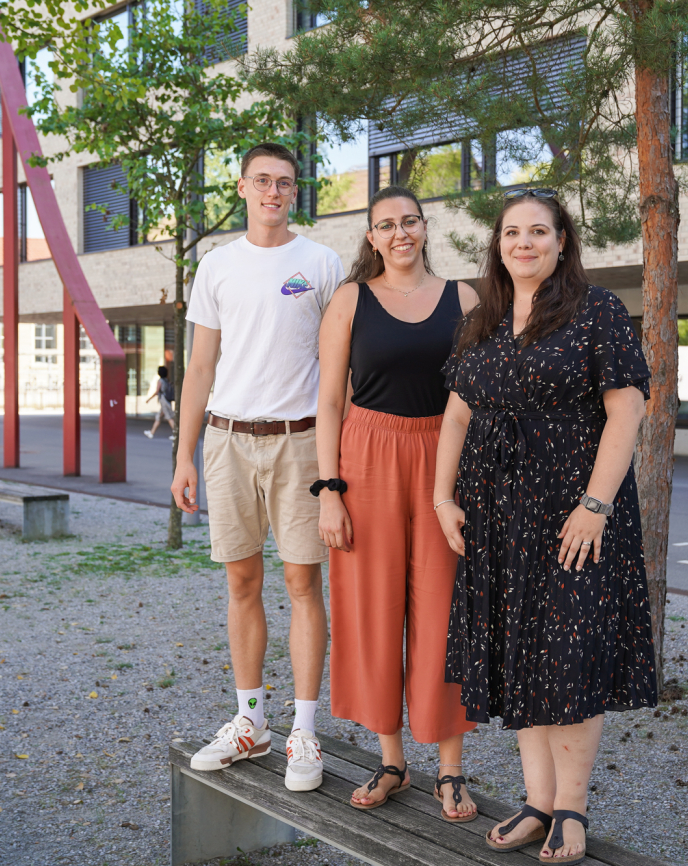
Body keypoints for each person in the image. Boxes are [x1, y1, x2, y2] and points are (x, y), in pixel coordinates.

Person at [433, 189, 656, 863]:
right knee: (520, 656)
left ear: (563, 242)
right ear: (498, 245)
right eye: (512, 233)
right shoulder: (485, 319)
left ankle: (572, 809)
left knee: (571, 660)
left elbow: (628, 410)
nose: (524, 242)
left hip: (573, 518)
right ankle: (536, 801)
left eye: (538, 231)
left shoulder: (597, 311)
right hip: (498, 519)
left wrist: (594, 506)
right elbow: (458, 414)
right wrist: (442, 496)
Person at [171, 142, 345, 793]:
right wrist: (183, 455)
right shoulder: (216, 267)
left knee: (303, 583)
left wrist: (335, 469)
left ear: (294, 193)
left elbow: (338, 374)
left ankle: (304, 729)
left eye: (285, 183)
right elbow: (199, 369)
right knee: (241, 583)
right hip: (226, 442)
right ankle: (251, 722)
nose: (274, 192)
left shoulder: (320, 264)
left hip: (300, 443)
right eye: (263, 181)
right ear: (242, 187)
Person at [316, 186, 481, 821]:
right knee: (373, 607)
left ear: (424, 227)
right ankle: (391, 759)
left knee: (445, 611)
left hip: (443, 457)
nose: (400, 233)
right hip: (368, 458)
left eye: (409, 221)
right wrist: (330, 492)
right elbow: (330, 402)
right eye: (386, 225)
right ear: (371, 237)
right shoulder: (350, 300)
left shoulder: (463, 298)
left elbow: (474, 398)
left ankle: (450, 769)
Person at [143, 365, 178, 440]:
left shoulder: (160, 381)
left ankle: (176, 433)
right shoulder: (166, 380)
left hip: (163, 400)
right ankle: (152, 432)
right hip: (166, 400)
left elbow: (157, 391)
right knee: (159, 417)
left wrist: (149, 399)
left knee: (169, 417)